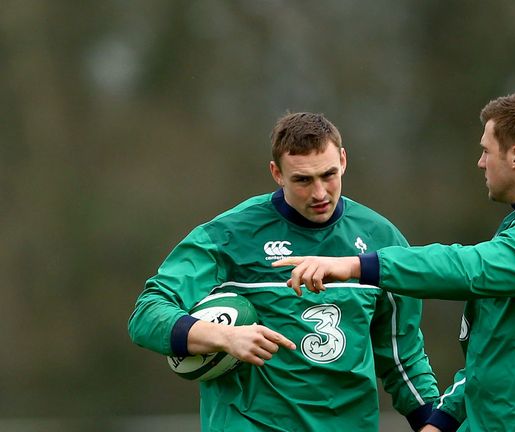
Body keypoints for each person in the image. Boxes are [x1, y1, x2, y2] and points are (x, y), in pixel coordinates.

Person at [274, 91, 515, 431]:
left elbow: (469, 268)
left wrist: (358, 266)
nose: (480, 162)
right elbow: (499, 352)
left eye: (486, 150)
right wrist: (445, 418)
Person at [128, 112, 439, 431]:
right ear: (277, 173)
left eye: (328, 175)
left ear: (343, 161)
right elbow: (147, 314)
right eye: (303, 180)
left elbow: (404, 358)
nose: (319, 193)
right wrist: (224, 337)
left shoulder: (382, 241)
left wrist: (434, 421)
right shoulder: (228, 237)